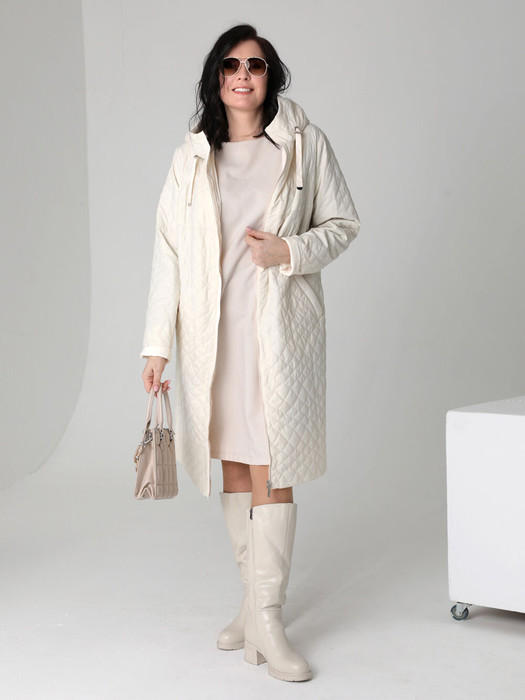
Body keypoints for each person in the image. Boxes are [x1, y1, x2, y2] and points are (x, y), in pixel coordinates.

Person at [140, 23, 360, 682]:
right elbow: (168, 254)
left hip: (277, 332)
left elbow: (344, 224)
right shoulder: (191, 158)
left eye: (255, 65)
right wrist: (156, 344)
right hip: (213, 336)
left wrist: (288, 250)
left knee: (274, 460)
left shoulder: (303, 145)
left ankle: (267, 616)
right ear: (216, 78)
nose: (243, 75)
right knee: (235, 461)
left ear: (270, 77)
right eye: (231, 65)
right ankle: (250, 605)